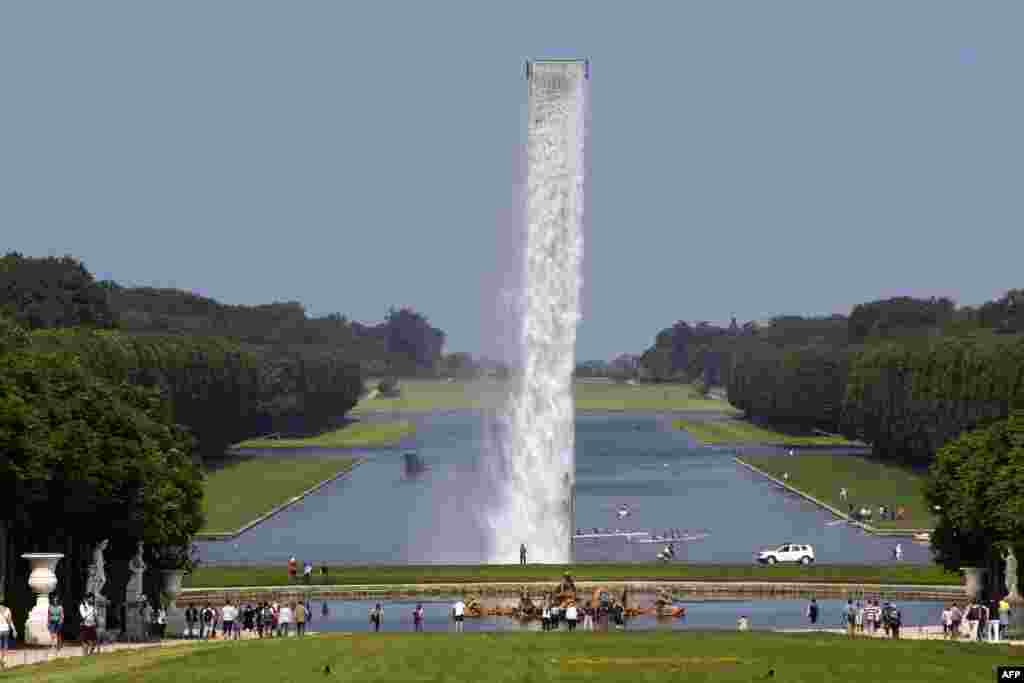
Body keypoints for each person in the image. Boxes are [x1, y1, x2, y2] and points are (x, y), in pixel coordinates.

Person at [0, 598, 17, 668]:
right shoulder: (7, 610)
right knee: (5, 645)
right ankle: (3, 659)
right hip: (6, 629)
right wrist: (14, 630)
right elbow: (10, 621)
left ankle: (1, 659)